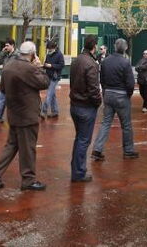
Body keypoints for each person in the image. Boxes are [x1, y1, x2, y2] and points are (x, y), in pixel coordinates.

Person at [0, 41, 51, 191]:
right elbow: (45, 82)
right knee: (28, 148)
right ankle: (28, 180)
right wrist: (39, 67)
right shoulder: (29, 68)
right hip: (27, 114)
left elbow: (2, 89)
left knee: (11, 145)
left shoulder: (8, 66)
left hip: (13, 113)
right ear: (33, 54)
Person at [91, 38, 139, 161]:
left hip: (108, 94)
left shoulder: (106, 61)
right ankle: (128, 150)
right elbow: (130, 83)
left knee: (106, 123)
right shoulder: (125, 62)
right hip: (121, 95)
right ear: (125, 48)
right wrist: (128, 94)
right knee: (126, 125)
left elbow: (102, 79)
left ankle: (97, 148)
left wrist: (106, 90)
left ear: (114, 47)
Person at [68, 35, 102, 183]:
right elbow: (94, 89)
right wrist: (98, 102)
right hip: (86, 106)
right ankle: (78, 172)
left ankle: (76, 169)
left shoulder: (76, 61)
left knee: (79, 138)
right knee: (83, 140)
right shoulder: (91, 64)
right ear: (94, 46)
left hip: (75, 104)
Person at [0, 39, 19, 123]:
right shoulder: (6, 54)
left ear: (12, 45)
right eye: (5, 46)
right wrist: (2, 53)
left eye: (7, 46)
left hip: (13, 81)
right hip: (4, 80)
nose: (5, 47)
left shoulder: (17, 55)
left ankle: (15, 117)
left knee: (13, 101)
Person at [41, 39, 65, 118]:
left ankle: (43, 111)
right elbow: (46, 64)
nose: (49, 50)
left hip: (55, 77)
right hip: (49, 76)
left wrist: (51, 66)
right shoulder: (48, 54)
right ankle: (55, 111)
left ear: (54, 48)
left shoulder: (59, 55)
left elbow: (61, 65)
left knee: (49, 94)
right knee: (52, 94)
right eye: (48, 49)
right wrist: (43, 66)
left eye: (50, 49)